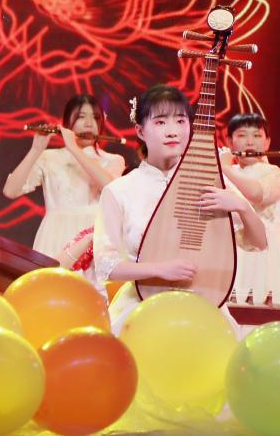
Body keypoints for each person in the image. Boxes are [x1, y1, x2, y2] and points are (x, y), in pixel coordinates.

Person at [94, 85, 267, 334]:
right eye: (160, 122)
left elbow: (259, 242)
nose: (172, 131)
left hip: (204, 306)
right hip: (144, 305)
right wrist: (160, 270)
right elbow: (107, 266)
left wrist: (241, 207)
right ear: (140, 131)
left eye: (180, 121)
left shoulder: (211, 181)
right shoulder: (120, 190)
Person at [3, 95, 125, 258]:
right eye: (81, 116)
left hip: (94, 237)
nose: (89, 123)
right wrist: (36, 149)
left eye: (95, 118)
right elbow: (10, 191)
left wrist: (73, 148)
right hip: (55, 237)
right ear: (67, 123)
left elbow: (109, 185)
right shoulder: (50, 157)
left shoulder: (113, 160)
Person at [218, 112, 280, 306]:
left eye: (257, 135)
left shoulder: (276, 174)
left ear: (267, 142)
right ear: (230, 142)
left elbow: (255, 193)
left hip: (266, 253)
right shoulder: (223, 173)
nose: (250, 142)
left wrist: (225, 168)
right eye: (242, 135)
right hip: (229, 253)